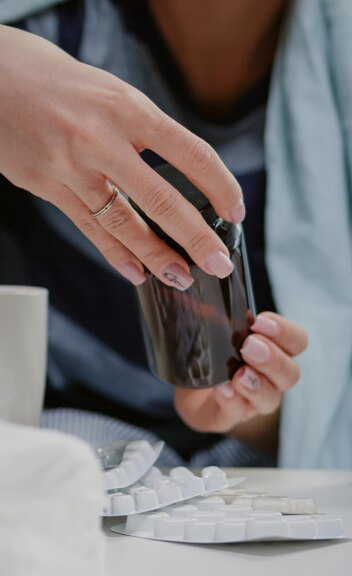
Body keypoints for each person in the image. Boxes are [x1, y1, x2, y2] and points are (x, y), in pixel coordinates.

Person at [0, 0, 350, 468]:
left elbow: (325, 429)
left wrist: (248, 406)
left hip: (226, 478)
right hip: (34, 441)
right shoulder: (40, 34)